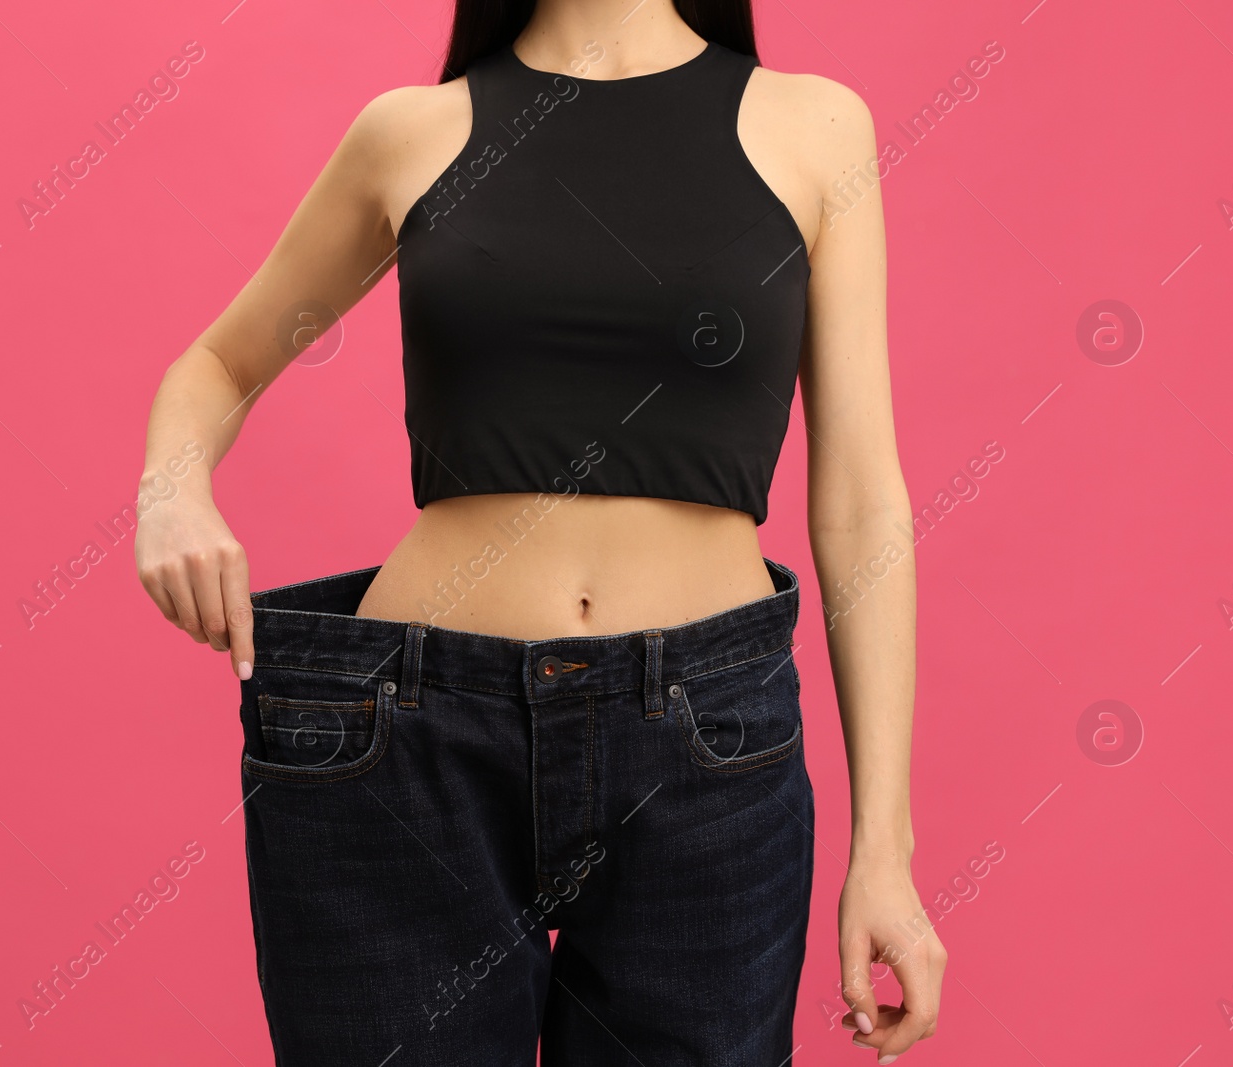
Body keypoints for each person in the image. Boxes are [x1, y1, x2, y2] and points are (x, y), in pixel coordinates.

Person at [134, 0, 946, 1062]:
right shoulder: (411, 132)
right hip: (410, 745)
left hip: (708, 752)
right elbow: (219, 364)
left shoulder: (816, 128)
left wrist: (883, 848)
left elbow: (861, 499)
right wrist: (173, 492)